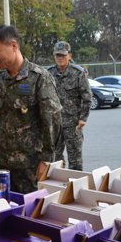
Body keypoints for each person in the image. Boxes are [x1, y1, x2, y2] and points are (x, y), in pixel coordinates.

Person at [0, 25, 62, 193]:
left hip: (30, 165)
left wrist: (46, 160)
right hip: (3, 165)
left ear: (13, 46)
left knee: (29, 213)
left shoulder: (39, 78)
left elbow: (52, 122)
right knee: (4, 209)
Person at [48, 41, 92, 171]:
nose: (60, 58)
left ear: (70, 56)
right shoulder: (48, 73)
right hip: (54, 123)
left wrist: (83, 118)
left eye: (63, 55)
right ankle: (59, 186)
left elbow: (87, 97)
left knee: (75, 159)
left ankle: (75, 187)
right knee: (55, 158)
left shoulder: (78, 73)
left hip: (73, 124)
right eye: (57, 55)